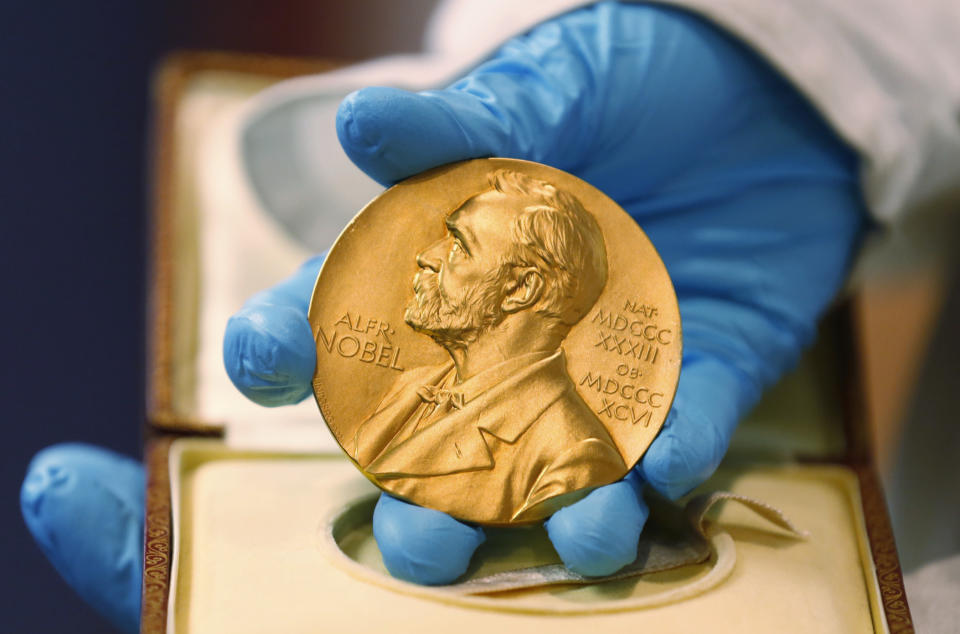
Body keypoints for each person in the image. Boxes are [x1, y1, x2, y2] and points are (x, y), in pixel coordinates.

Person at [20, 2, 960, 632]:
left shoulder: (566, 449)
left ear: (519, 291)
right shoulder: (412, 405)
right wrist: (807, 41)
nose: (421, 251)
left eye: (458, 245)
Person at [352, 168, 624, 522]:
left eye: (458, 246)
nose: (427, 257)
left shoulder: (574, 458)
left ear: (520, 289)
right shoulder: (412, 388)